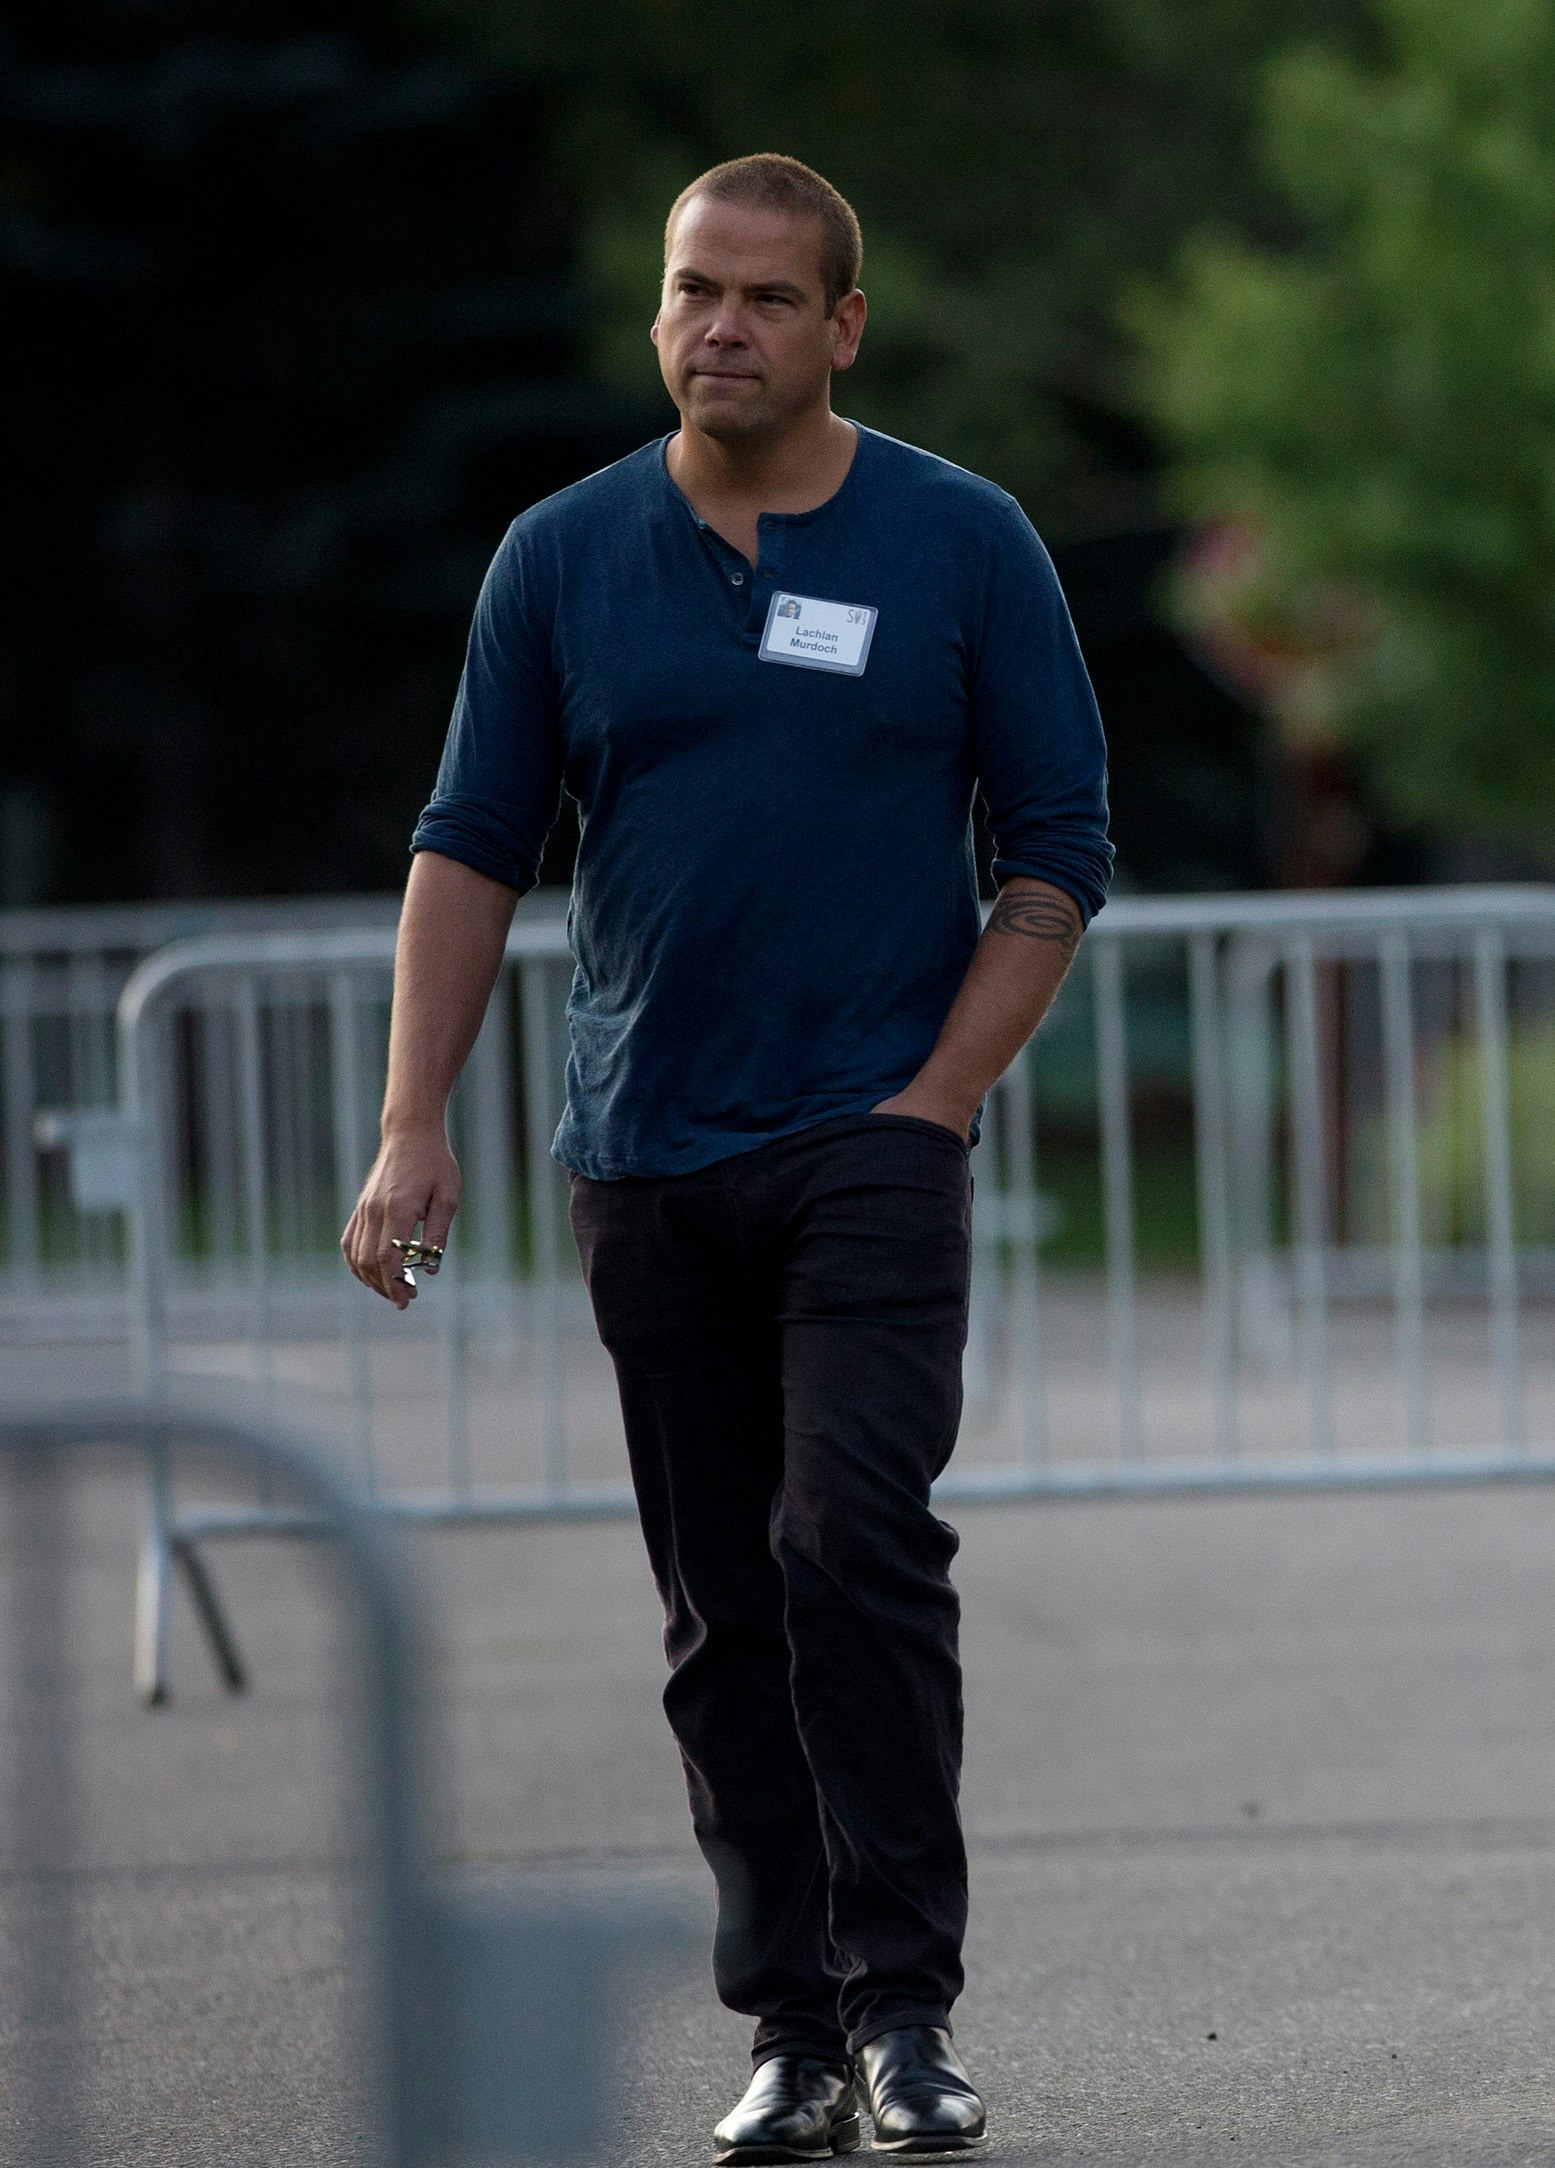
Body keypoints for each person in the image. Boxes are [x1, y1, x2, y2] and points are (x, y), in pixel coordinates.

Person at [341, 154, 1110, 2162]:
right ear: (659, 308)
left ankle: (908, 2005)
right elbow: (472, 843)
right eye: (697, 291)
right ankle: (787, 2020)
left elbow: (1056, 844)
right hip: (647, 1157)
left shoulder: (959, 539)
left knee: (846, 1538)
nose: (725, 328)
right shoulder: (563, 555)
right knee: (717, 1605)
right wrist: (414, 1120)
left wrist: (937, 1094)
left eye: (770, 299)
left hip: (870, 1138)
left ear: (842, 325)